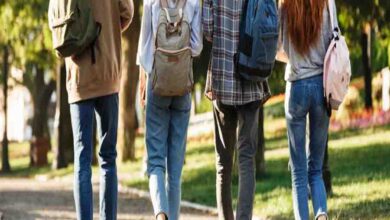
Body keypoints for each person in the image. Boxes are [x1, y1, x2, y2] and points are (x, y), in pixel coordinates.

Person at [61, 0, 134, 219]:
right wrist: (109, 31)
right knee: (108, 157)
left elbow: (56, 20)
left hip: (78, 75)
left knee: (82, 158)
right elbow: (127, 12)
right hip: (107, 73)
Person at [203, 0, 271, 219]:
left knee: (223, 163)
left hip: (223, 77)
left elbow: (207, 30)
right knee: (246, 158)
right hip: (251, 74)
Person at [137, 0, 203, 219]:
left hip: (157, 85)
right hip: (182, 88)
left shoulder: (151, 2)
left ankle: (160, 212)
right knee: (175, 170)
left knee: (155, 160)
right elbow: (196, 47)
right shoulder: (193, 2)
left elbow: (144, 48)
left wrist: (146, 78)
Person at [277, 0, 338, 219]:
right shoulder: (327, 3)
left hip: (296, 87)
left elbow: (277, 48)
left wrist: (294, 57)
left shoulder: (285, 5)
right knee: (316, 166)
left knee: (298, 171)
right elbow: (335, 40)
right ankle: (321, 213)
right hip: (322, 87)